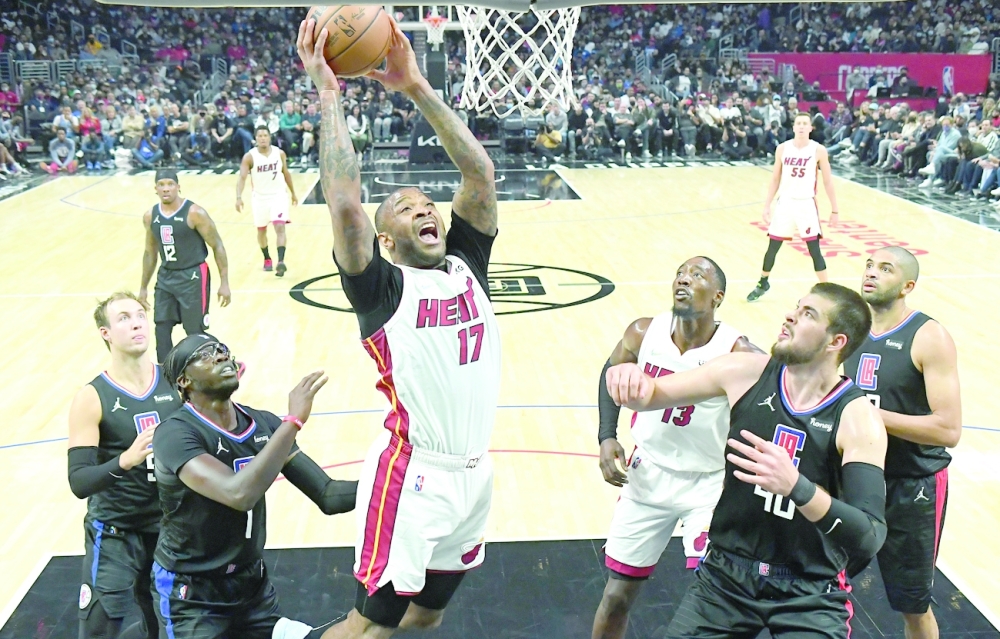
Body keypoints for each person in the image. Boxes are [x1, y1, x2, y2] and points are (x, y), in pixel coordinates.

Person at [298, 17, 501, 638]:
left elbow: (479, 175)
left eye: (425, 203)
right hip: (411, 476)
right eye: (404, 209)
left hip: (474, 474)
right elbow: (345, 206)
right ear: (386, 240)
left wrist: (415, 86)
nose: (423, 208)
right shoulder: (381, 287)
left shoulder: (467, 262)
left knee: (426, 617)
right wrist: (329, 95)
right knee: (370, 628)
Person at [607, 282, 888, 639]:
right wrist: (627, 376)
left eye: (807, 314)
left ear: (836, 342)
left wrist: (798, 488)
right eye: (796, 307)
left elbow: (869, 535)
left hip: (810, 591)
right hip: (726, 578)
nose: (790, 315)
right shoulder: (744, 371)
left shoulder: (858, 419)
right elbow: (648, 395)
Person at [592, 257, 762, 639]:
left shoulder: (738, 351)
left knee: (716, 597)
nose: (684, 279)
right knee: (616, 595)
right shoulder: (642, 333)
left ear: (718, 296)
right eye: (680, 273)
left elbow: (774, 403)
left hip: (710, 485)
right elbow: (609, 373)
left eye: (697, 275)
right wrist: (607, 435)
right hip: (648, 475)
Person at [153, 334, 357, 638]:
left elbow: (328, 495)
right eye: (206, 354)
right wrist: (293, 422)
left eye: (223, 350)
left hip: (251, 586)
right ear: (184, 380)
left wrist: (399, 483)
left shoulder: (264, 425)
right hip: (193, 594)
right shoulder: (175, 433)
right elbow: (238, 493)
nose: (222, 356)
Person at [844, 247, 961, 639]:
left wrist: (868, 415)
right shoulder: (847, 328)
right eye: (869, 265)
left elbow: (948, 430)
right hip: (853, 480)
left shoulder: (929, 336)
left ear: (907, 286)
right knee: (821, 582)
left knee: (912, 606)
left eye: (885, 269)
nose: (871, 273)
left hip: (913, 487)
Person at [68, 292, 178, 639]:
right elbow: (80, 481)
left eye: (140, 315)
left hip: (169, 528)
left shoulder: (174, 381)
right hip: (115, 531)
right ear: (106, 333)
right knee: (99, 628)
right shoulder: (92, 396)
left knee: (164, 625)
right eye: (123, 319)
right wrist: (124, 460)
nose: (136, 323)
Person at [139, 169, 231, 363]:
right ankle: (166, 376)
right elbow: (150, 253)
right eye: (161, 185)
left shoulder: (195, 213)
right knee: (161, 328)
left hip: (194, 275)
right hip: (166, 276)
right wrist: (143, 288)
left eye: (170, 184)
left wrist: (224, 282)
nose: (166, 189)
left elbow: (218, 245)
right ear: (155, 189)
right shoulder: (150, 216)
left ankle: (221, 364)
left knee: (194, 331)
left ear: (178, 187)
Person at [747, 113, 839, 302]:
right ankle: (763, 282)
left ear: (811, 128)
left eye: (806, 123)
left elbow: (828, 181)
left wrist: (835, 209)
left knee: (814, 250)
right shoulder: (782, 149)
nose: (802, 126)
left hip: (806, 203)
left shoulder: (818, 150)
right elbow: (775, 179)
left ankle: (826, 290)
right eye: (799, 123)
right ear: (794, 127)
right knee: (773, 246)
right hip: (786, 202)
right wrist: (767, 206)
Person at [236, 126, 298, 276]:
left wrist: (293, 193)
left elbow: (286, 173)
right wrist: (238, 197)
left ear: (270, 137)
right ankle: (267, 258)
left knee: (280, 227)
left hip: (278, 196)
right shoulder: (249, 157)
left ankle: (281, 261)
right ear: (256, 139)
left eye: (265, 135)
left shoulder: (279, 153)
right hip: (260, 198)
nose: (263, 138)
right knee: (261, 231)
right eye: (260, 136)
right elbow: (242, 178)